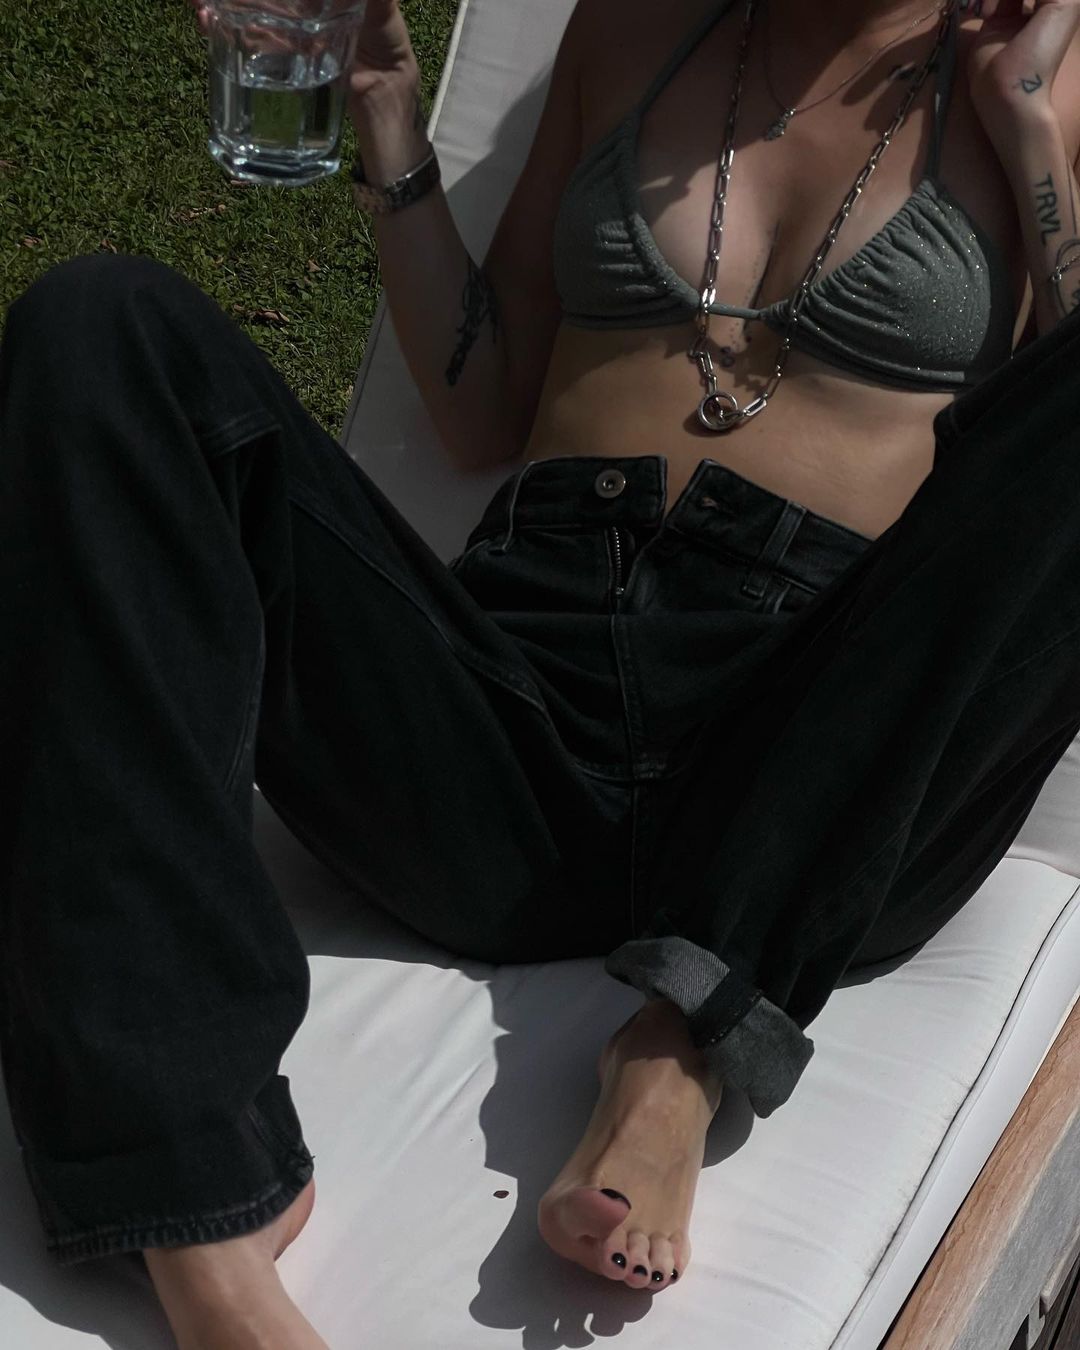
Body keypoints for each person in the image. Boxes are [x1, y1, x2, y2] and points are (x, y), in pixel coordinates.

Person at [3, 0, 1080, 1344]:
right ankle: (201, 1219)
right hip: (511, 721)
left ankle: (682, 1045)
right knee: (102, 324)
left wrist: (1032, 136)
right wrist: (387, 114)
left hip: (819, 765)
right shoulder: (633, 28)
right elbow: (480, 407)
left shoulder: (1044, 74)